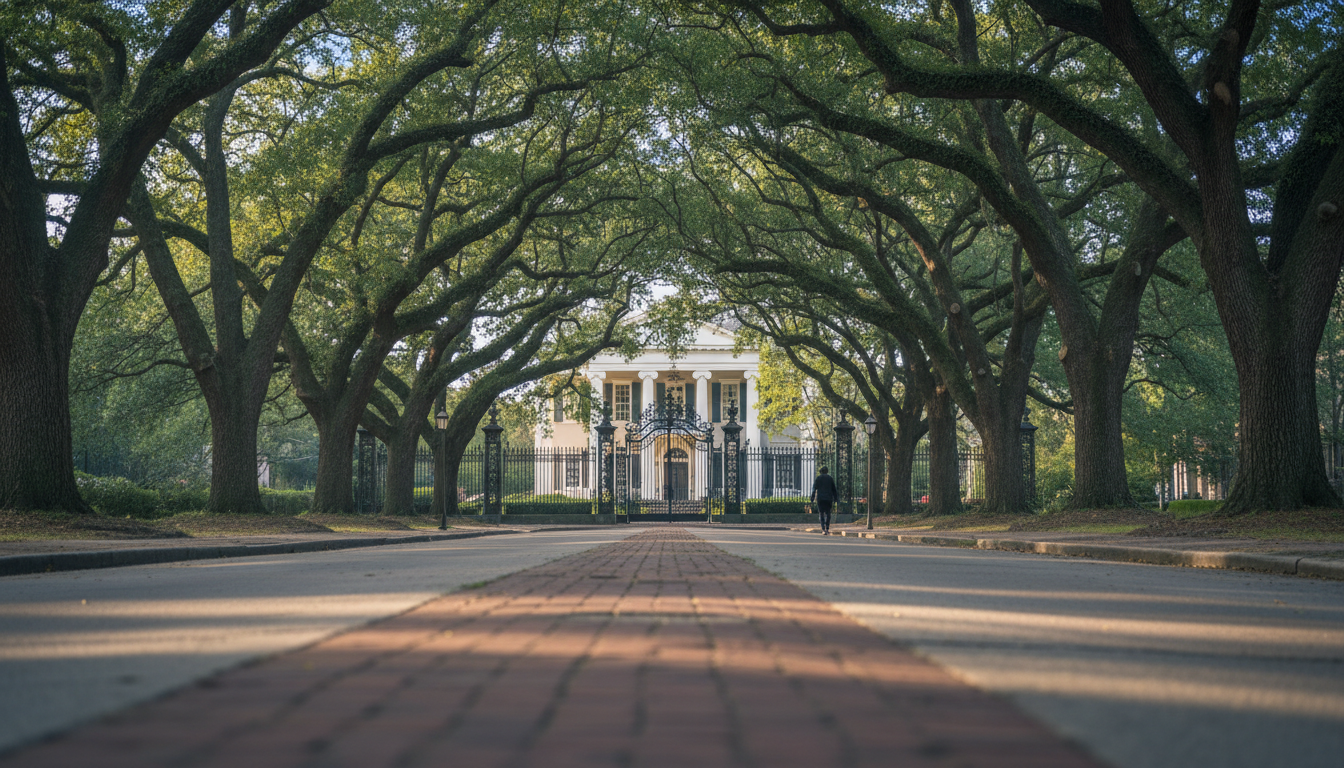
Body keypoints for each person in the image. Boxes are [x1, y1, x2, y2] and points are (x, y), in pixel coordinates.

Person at [810, 465, 838, 535]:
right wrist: (836, 499)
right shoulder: (830, 478)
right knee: (828, 513)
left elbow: (814, 489)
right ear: (827, 471)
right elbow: (834, 490)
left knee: (821, 513)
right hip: (829, 498)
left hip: (820, 498)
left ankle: (823, 528)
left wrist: (812, 498)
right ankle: (827, 528)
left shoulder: (818, 478)